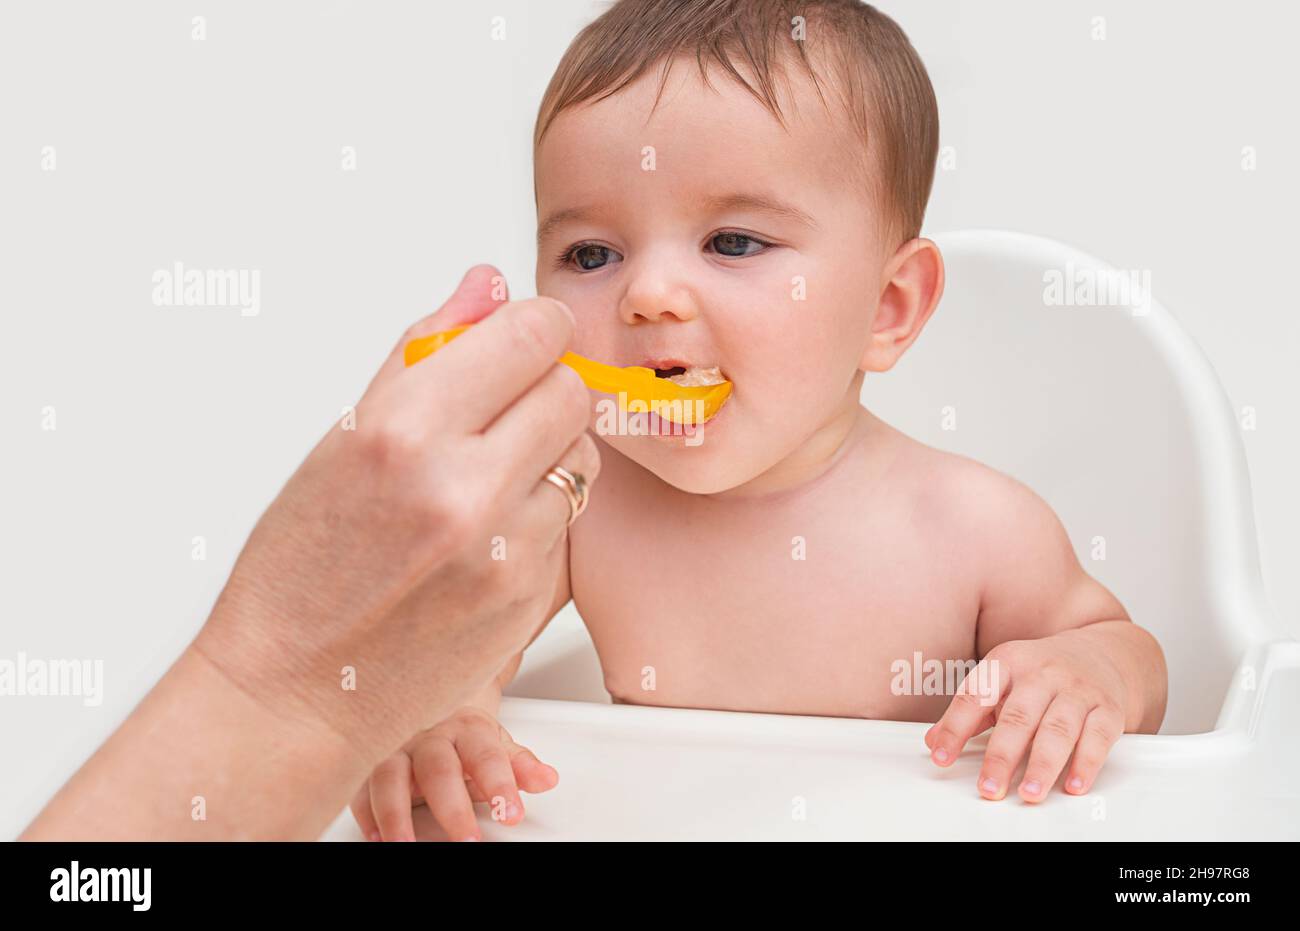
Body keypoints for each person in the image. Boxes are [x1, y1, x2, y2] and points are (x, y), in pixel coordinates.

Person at [21, 265, 600, 840]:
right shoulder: (570, 496)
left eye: (700, 244)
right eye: (593, 255)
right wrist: (455, 715)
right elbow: (476, 630)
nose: (651, 297)